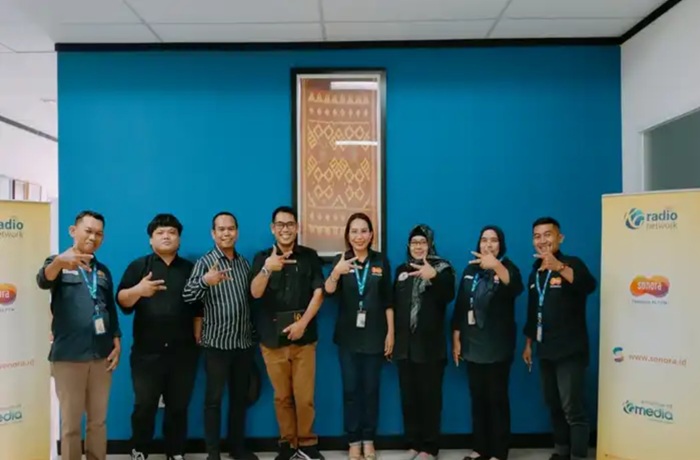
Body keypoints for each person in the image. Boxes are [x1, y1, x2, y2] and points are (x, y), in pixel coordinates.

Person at [36, 210, 121, 460]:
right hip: (69, 356)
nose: (93, 237)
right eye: (88, 231)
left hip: (101, 356)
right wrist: (59, 262)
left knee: (98, 422)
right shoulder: (57, 263)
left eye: (99, 234)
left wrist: (116, 341)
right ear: (73, 231)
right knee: (71, 425)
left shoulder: (102, 271)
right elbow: (42, 280)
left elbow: (110, 308)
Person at [116, 214, 202, 460]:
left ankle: (175, 452)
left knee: (178, 406)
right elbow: (122, 300)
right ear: (150, 239)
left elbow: (199, 308)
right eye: (160, 232)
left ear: (179, 239)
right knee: (144, 405)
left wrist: (198, 336)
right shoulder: (139, 266)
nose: (166, 236)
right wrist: (138, 290)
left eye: (172, 232)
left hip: (183, 352)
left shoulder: (190, 269)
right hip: (147, 353)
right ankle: (139, 449)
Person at [249, 206, 325, 460]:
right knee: (282, 397)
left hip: (304, 337)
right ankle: (287, 443)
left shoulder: (309, 256)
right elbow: (255, 292)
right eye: (280, 225)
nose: (285, 229)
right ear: (273, 228)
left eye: (290, 224)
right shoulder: (262, 258)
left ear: (297, 227)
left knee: (304, 397)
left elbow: (319, 293)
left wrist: (302, 323)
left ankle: (307, 443)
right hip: (272, 340)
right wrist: (267, 269)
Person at [183, 212, 257, 460]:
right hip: (216, 344)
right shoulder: (205, 262)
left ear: (237, 232)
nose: (226, 233)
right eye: (221, 229)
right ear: (213, 233)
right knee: (213, 401)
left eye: (231, 228)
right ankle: (213, 453)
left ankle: (237, 448)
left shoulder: (244, 263)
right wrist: (205, 281)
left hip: (243, 343)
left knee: (239, 400)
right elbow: (188, 296)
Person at [522, 217, 597, 460]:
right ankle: (561, 452)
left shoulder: (572, 263)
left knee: (572, 408)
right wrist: (529, 344)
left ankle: (578, 456)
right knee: (553, 404)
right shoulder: (535, 272)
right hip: (545, 349)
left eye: (548, 234)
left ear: (560, 238)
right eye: (537, 236)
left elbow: (589, 285)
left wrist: (560, 268)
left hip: (570, 351)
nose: (542, 240)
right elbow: (533, 312)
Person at [324, 212, 394, 460]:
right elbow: (328, 292)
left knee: (371, 390)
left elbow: (388, 301)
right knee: (351, 390)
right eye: (354, 231)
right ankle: (353, 440)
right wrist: (336, 273)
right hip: (348, 338)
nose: (359, 236)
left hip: (375, 336)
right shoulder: (340, 260)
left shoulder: (381, 261)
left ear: (371, 234)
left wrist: (391, 334)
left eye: (364, 231)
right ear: (348, 235)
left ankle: (368, 438)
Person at [452, 226, 523, 460]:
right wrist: (456, 337)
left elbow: (516, 287)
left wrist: (496, 266)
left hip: (498, 347)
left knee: (496, 401)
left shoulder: (508, 267)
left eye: (493, 240)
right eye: (484, 240)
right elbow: (461, 306)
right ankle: (480, 449)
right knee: (478, 400)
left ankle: (498, 452)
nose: (488, 244)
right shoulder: (470, 270)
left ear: (501, 245)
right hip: (472, 345)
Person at [393, 224, 455, 460]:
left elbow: (448, 296)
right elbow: (395, 304)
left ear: (430, 245)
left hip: (430, 348)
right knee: (409, 399)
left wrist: (434, 277)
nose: (418, 246)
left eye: (422, 242)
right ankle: (413, 442)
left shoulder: (443, 269)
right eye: (414, 242)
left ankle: (429, 447)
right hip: (405, 347)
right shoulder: (402, 270)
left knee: (430, 399)